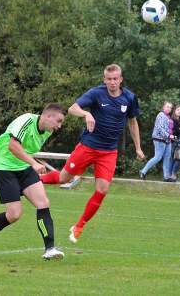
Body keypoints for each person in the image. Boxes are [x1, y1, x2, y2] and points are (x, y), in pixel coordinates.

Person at [40, 64, 144, 243]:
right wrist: (86, 115)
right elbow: (72, 108)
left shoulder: (129, 98)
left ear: (121, 79)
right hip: (88, 146)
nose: (112, 82)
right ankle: (31, 181)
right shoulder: (96, 93)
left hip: (109, 152)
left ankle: (79, 225)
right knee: (64, 178)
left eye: (115, 79)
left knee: (102, 189)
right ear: (104, 80)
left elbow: (133, 122)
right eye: (109, 79)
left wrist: (138, 147)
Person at [0, 103, 66, 260]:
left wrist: (32, 164)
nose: (59, 126)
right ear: (48, 116)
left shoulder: (47, 132)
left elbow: (26, 150)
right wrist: (34, 163)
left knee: (43, 203)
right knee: (14, 214)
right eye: (58, 121)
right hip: (3, 167)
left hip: (23, 168)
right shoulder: (26, 121)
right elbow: (13, 146)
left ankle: (49, 249)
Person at [139, 101, 174, 181]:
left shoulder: (168, 117)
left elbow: (169, 128)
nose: (169, 109)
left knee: (167, 158)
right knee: (158, 157)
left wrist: (171, 136)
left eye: (170, 107)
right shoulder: (161, 115)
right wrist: (168, 135)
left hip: (167, 140)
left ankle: (166, 176)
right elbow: (160, 128)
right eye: (167, 107)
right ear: (163, 107)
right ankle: (143, 171)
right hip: (159, 139)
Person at [169, 105, 180, 181]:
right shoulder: (172, 120)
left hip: (179, 141)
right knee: (175, 159)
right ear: (174, 111)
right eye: (178, 110)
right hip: (173, 142)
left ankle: (172, 175)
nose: (179, 112)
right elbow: (176, 131)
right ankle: (172, 175)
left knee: (177, 159)